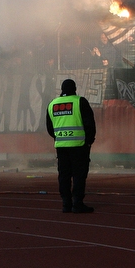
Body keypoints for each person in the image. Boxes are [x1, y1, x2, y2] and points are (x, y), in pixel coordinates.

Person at [45, 79, 96, 213]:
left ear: (61, 89)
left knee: (64, 175)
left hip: (61, 146)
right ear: (74, 88)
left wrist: (60, 137)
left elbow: (50, 128)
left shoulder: (52, 104)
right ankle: (77, 203)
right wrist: (89, 141)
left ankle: (66, 204)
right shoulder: (80, 101)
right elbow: (89, 123)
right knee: (79, 175)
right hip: (79, 146)